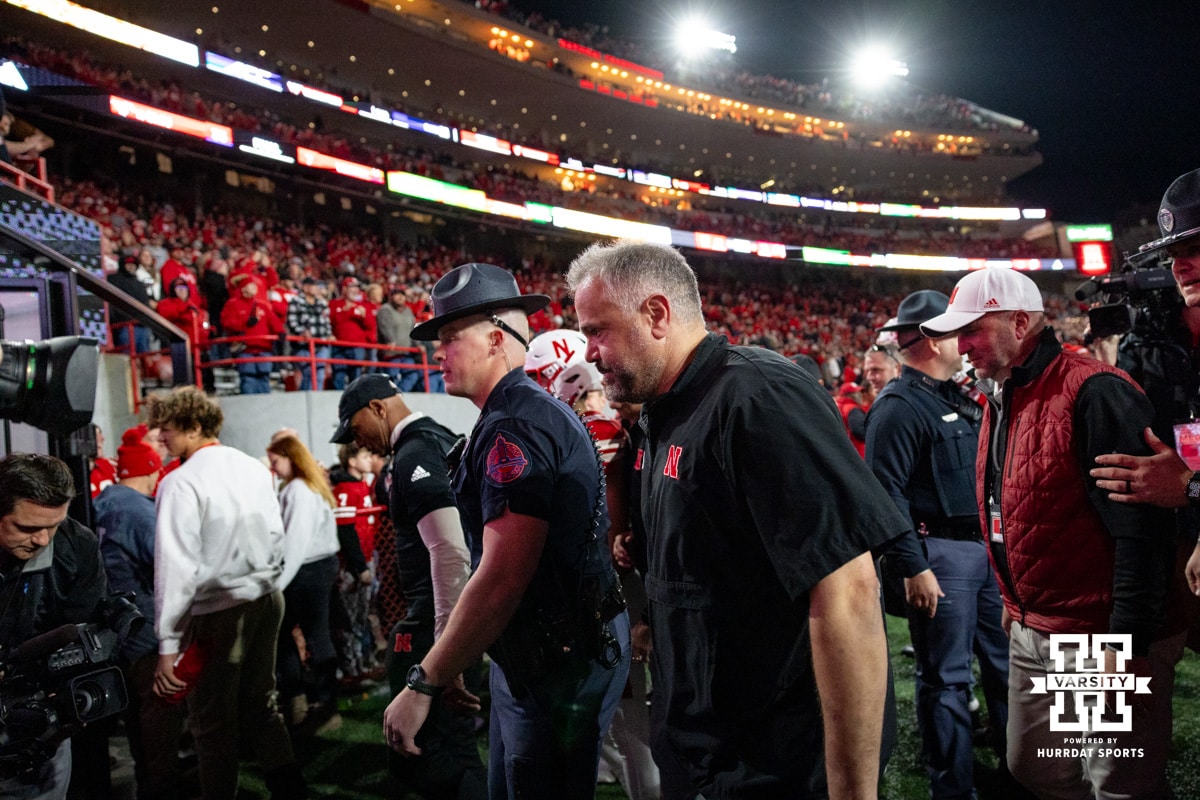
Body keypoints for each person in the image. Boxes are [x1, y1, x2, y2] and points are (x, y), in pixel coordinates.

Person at [567, 240, 906, 800]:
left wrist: (852, 792)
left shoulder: (758, 397)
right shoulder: (664, 411)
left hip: (775, 761)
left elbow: (848, 590)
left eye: (597, 330)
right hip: (705, 748)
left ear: (656, 314)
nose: (590, 352)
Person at [920, 267, 1180, 800]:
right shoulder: (1005, 391)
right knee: (1039, 769)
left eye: (972, 329)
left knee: (1115, 785)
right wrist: (1013, 599)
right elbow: (1013, 507)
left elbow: (1142, 527)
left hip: (1093, 632)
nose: (960, 344)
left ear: (1019, 322)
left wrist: (1125, 641)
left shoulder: (1093, 390)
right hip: (1034, 622)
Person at [390, 262, 630, 799]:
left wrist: (424, 678)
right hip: (553, 646)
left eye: (450, 337)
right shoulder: (520, 411)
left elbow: (502, 576)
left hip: (554, 657)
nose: (439, 351)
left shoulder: (514, 425)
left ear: (496, 338)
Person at [865, 291, 1010, 800]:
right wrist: (911, 566)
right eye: (956, 331)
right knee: (947, 680)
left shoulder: (953, 395)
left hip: (984, 551)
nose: (967, 342)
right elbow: (886, 494)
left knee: (1006, 667)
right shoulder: (899, 407)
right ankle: (954, 788)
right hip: (940, 556)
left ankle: (1022, 774)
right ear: (930, 339)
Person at [332, 374, 485, 799]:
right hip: (453, 613)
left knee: (430, 753)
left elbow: (451, 550)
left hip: (438, 620)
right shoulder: (439, 437)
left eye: (355, 426)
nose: (357, 441)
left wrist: (445, 648)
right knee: (446, 747)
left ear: (378, 408)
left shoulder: (416, 451)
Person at [147, 386, 305, 798]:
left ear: (193, 426)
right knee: (261, 704)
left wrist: (169, 644)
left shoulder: (180, 482)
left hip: (218, 609)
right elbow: (276, 535)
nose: (160, 436)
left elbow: (176, 567)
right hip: (266, 598)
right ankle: (290, 790)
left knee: (211, 721)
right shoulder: (254, 467)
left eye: (166, 428)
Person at [1091, 168, 1200, 592]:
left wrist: (1190, 487)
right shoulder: (1152, 339)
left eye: (1195, 248)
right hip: (1173, 540)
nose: (1180, 266)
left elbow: (1183, 483)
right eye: (1174, 253)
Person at [0, 454, 110, 800]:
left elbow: (86, 630)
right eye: (28, 528)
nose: (43, 540)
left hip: (37, 726)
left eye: (54, 525)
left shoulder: (77, 545)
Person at [94, 426, 187, 800]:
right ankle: (160, 786)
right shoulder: (136, 509)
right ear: (150, 470)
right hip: (144, 628)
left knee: (137, 715)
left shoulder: (105, 501)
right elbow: (167, 563)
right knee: (158, 712)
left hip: (119, 624)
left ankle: (151, 778)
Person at [265, 434, 342, 733]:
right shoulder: (306, 486)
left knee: (300, 633)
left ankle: (309, 702)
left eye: (276, 461)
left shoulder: (298, 489)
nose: (274, 468)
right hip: (316, 567)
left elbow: (295, 543)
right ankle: (316, 702)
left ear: (290, 457)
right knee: (314, 634)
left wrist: (278, 585)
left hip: (308, 570)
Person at [220, 270, 282, 394]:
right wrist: (245, 323)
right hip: (245, 349)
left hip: (264, 349)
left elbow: (275, 322)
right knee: (248, 379)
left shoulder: (262, 305)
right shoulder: (233, 304)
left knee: (264, 378)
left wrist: (281, 332)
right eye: (251, 285)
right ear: (243, 288)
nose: (255, 287)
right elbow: (226, 323)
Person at [329, 276, 377, 389]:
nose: (355, 290)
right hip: (339, 345)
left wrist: (364, 316)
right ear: (344, 289)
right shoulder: (334, 304)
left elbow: (371, 326)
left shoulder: (363, 306)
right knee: (338, 374)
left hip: (357, 346)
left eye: (356, 287)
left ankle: (353, 402)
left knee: (355, 377)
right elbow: (331, 321)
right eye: (352, 287)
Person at [287, 276, 333, 391]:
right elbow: (292, 321)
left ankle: (316, 401)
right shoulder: (296, 301)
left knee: (320, 373)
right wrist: (301, 331)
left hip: (321, 343)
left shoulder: (322, 303)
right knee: (308, 373)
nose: (316, 288)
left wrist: (329, 334)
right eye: (313, 285)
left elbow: (326, 321)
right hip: (303, 345)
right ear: (305, 287)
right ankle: (305, 401)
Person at [378, 283, 423, 391]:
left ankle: (399, 395)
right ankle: (392, 396)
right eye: (397, 294)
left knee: (413, 375)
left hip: (406, 352)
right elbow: (385, 327)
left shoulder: (408, 311)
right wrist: (390, 340)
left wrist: (418, 345)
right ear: (391, 297)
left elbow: (412, 329)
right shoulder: (385, 309)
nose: (400, 297)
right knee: (391, 378)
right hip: (392, 353)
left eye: (402, 294)